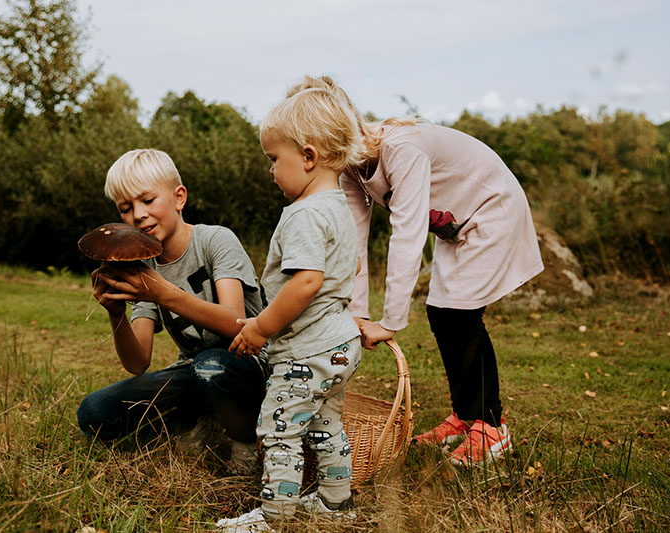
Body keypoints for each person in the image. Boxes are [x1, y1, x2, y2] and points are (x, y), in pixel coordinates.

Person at [288, 76, 544, 467]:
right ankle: (464, 417)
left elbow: (406, 235)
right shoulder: (352, 169)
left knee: (459, 312)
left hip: (492, 209)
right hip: (456, 226)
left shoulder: (400, 148)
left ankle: (492, 427)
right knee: (442, 312)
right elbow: (355, 241)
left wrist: (389, 321)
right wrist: (356, 312)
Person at [216, 88, 362, 531]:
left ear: (309, 156)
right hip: (339, 345)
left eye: (274, 159)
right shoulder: (341, 208)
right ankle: (337, 502)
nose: (271, 170)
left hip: (306, 351)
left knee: (279, 429)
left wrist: (261, 326)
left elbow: (306, 282)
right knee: (324, 424)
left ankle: (276, 515)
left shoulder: (303, 214)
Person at [76, 148, 267, 471]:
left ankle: (246, 439)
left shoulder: (215, 241)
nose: (138, 215)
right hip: (192, 370)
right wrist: (115, 314)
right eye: (125, 208)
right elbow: (138, 362)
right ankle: (198, 417)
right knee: (94, 411)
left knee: (211, 367)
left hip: (250, 366)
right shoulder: (142, 265)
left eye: (148, 201)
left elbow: (237, 324)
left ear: (179, 197)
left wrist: (164, 293)